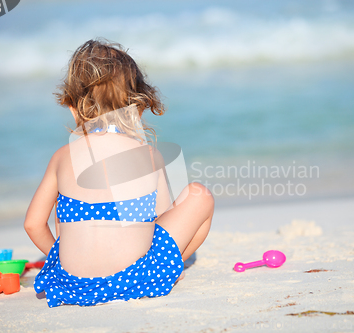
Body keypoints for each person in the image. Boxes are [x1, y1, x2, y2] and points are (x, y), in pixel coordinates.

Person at [24, 38, 214, 308]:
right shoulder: (148, 155)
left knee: (62, 205)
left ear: (72, 106)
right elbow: (159, 222)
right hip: (135, 279)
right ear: (138, 105)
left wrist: (58, 257)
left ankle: (78, 261)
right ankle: (169, 270)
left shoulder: (61, 158)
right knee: (199, 194)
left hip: (74, 283)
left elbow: (32, 224)